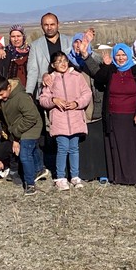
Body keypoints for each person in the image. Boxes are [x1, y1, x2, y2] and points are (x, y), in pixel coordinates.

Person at [92, 43, 136, 186]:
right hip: (113, 115)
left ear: (128, 55)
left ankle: (135, 177)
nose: (120, 58)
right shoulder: (111, 70)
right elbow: (99, 80)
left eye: (123, 55)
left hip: (132, 116)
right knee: (116, 146)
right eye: (117, 55)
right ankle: (118, 177)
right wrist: (106, 65)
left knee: (131, 147)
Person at [39, 52, 92, 190]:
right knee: (62, 148)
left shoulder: (77, 77)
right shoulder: (50, 79)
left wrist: (77, 103)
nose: (62, 64)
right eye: (58, 61)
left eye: (64, 60)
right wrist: (53, 100)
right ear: (52, 65)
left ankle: (75, 176)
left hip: (75, 118)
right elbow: (43, 100)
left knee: (74, 148)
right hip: (59, 120)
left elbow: (87, 93)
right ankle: (60, 177)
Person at [0, 76, 45, 195]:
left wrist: (16, 135)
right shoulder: (6, 98)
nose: (0, 98)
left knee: (25, 154)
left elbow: (31, 117)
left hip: (31, 127)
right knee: (32, 149)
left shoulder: (21, 97)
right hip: (20, 127)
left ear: (9, 87)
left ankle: (30, 184)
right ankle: (39, 169)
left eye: (1, 94)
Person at [68, 29, 108, 182]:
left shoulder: (95, 58)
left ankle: (101, 171)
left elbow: (98, 72)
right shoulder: (68, 62)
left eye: (82, 42)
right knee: (81, 142)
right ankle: (84, 172)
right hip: (76, 106)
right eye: (76, 43)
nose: (79, 45)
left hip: (94, 104)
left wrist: (86, 54)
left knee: (97, 139)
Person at [26, 13, 73, 96]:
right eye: (46, 25)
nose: (49, 28)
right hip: (46, 92)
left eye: (52, 24)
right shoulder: (35, 45)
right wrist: (29, 92)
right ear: (41, 26)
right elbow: (32, 70)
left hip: (69, 89)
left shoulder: (70, 41)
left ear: (58, 24)